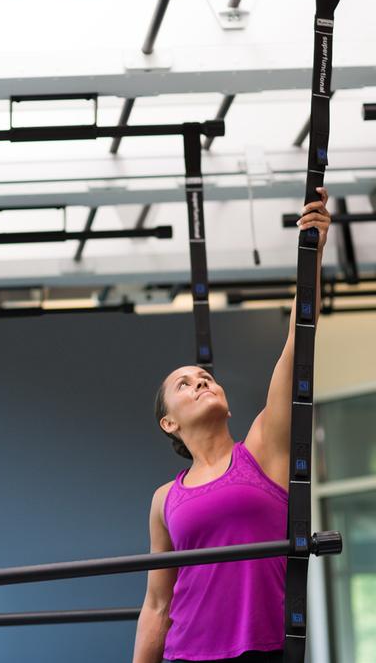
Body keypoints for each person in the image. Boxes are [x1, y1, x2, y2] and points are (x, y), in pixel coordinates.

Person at [132, 188, 331, 663]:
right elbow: (158, 604)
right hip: (185, 654)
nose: (201, 382)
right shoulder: (165, 499)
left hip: (260, 651)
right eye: (185, 384)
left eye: (206, 378)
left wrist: (312, 256)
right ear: (169, 422)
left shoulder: (263, 448)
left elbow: (297, 346)